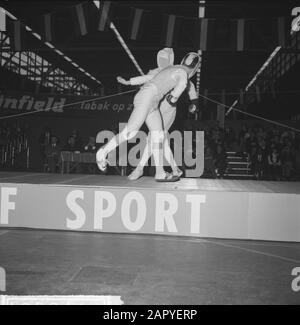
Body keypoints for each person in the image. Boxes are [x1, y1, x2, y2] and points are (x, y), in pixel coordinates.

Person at [96, 51, 201, 182]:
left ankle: (160, 173)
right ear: (195, 69)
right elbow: (182, 85)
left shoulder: (172, 68)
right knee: (130, 132)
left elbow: (148, 77)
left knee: (158, 135)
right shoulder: (182, 73)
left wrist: (129, 82)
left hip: (153, 102)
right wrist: (173, 98)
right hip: (147, 97)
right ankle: (102, 152)